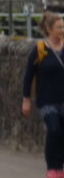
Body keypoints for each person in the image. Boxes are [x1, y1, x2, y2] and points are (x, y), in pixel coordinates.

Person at [22, 11, 64, 177]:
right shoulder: (39, 50)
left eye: (63, 26)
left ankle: (59, 166)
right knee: (54, 129)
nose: (62, 30)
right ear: (49, 29)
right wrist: (26, 99)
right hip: (46, 100)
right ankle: (52, 167)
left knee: (62, 133)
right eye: (59, 27)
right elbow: (28, 76)